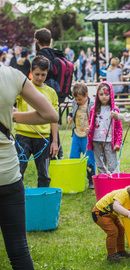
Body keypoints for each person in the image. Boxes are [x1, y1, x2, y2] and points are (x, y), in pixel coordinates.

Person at [1, 63, 58, 270]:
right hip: (7, 174)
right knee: (18, 250)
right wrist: (12, 117)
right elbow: (51, 114)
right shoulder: (11, 75)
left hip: (10, 171)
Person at [14, 55, 59, 187]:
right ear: (31, 72)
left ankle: (43, 201)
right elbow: (10, 101)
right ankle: (16, 199)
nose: (39, 78)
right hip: (22, 136)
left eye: (43, 75)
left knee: (44, 174)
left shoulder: (51, 93)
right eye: (37, 74)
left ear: (47, 73)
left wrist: (54, 141)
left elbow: (54, 119)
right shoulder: (23, 88)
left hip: (43, 138)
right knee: (18, 171)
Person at [92, 179, 130, 262]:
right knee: (113, 231)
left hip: (112, 215)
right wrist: (129, 214)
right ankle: (111, 255)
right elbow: (116, 206)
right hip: (100, 213)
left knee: (121, 230)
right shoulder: (123, 194)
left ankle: (121, 251)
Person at [34, 28, 64, 159]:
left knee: (47, 124)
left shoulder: (41, 55)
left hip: (45, 94)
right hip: (58, 93)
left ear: (37, 41)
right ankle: (58, 153)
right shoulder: (57, 54)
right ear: (50, 40)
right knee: (53, 122)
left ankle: (52, 153)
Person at [86, 82, 123, 174]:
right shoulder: (93, 110)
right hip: (96, 141)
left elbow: (119, 128)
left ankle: (114, 183)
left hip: (110, 142)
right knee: (100, 165)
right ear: (97, 95)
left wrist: (118, 142)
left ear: (111, 95)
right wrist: (88, 130)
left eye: (106, 94)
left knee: (112, 165)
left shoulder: (114, 110)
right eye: (101, 94)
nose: (104, 97)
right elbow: (91, 124)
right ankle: (103, 184)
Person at [67, 82, 96, 188]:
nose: (77, 101)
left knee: (89, 159)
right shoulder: (75, 102)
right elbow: (73, 110)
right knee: (73, 157)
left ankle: (92, 181)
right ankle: (74, 179)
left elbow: (95, 118)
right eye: (76, 99)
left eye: (80, 99)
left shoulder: (92, 105)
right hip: (76, 133)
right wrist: (70, 115)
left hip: (87, 136)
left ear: (86, 95)